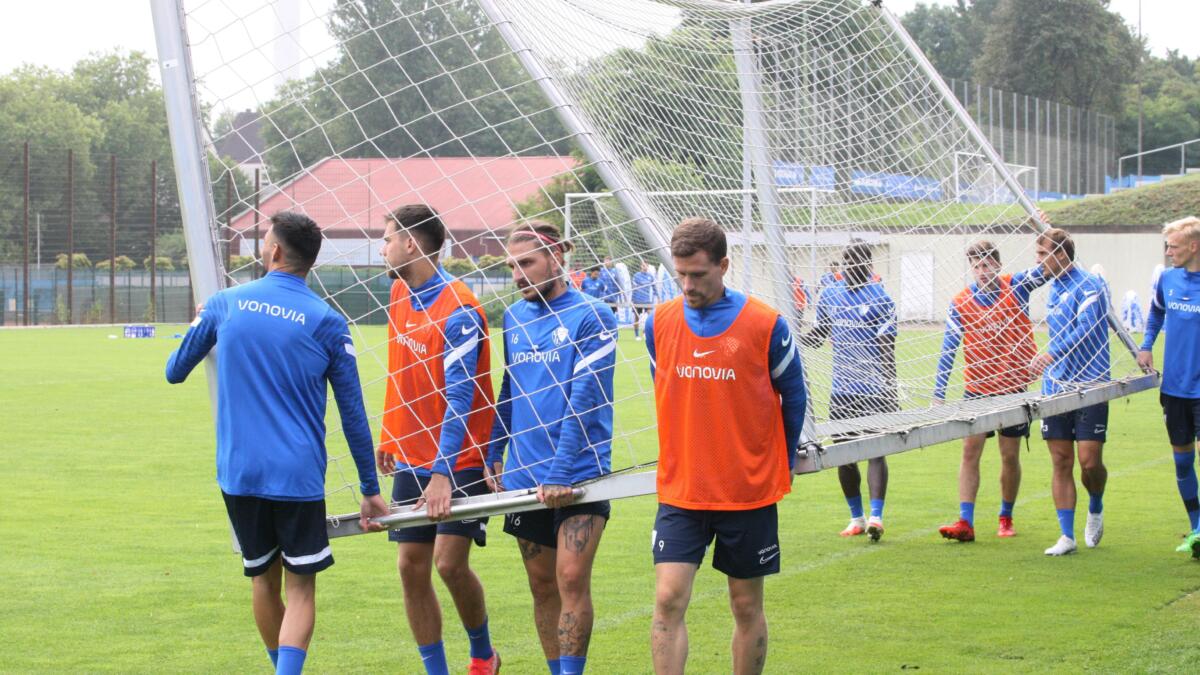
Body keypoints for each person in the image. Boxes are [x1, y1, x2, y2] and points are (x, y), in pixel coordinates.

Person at [165, 211, 388, 675]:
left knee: (262, 580)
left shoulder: (224, 303)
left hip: (239, 471)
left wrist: (200, 326)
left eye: (265, 239)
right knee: (301, 588)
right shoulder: (328, 321)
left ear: (276, 251)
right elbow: (352, 414)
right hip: (297, 474)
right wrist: (369, 489)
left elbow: (175, 370)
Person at [646, 217, 807, 675]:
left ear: (724, 265)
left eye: (698, 274)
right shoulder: (658, 323)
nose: (688, 284)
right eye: (680, 274)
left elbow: (792, 396)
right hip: (682, 488)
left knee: (744, 604)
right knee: (668, 598)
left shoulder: (765, 323)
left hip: (746, 490)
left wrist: (787, 457)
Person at [486, 220, 617, 675]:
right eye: (512, 266)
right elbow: (510, 387)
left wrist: (561, 472)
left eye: (527, 263)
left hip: (579, 474)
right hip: (525, 474)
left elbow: (585, 398)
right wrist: (494, 449)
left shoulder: (594, 315)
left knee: (571, 578)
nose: (518, 274)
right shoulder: (514, 318)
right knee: (542, 586)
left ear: (558, 254)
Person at [375, 204, 500, 675]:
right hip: (411, 452)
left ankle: (484, 656)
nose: (382, 248)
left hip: (462, 455)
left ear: (410, 242)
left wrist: (442, 473)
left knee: (448, 563)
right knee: (410, 567)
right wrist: (391, 433)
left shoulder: (461, 308)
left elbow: (461, 397)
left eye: (386, 238)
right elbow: (400, 373)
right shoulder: (398, 292)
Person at [932, 241, 1047, 541]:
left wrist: (1048, 235)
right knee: (970, 451)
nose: (982, 271)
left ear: (997, 264)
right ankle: (965, 521)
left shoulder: (1017, 287)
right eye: (976, 266)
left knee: (1009, 455)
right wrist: (938, 394)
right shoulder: (960, 302)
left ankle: (1005, 517)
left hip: (1012, 388)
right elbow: (948, 349)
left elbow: (1047, 269)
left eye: (986, 265)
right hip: (977, 389)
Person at [802, 242, 897, 541]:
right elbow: (819, 336)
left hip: (873, 390)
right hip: (841, 391)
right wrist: (792, 335)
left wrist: (890, 390)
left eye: (857, 263)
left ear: (868, 266)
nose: (850, 268)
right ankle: (857, 517)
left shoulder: (882, 299)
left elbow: (887, 349)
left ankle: (877, 517)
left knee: (876, 452)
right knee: (844, 455)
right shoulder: (830, 294)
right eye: (847, 262)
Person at [1030, 227, 1111, 556]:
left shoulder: (1089, 285)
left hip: (1090, 385)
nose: (1038, 262)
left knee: (1089, 463)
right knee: (1061, 461)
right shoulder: (1052, 287)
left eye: (1041, 254)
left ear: (1060, 255)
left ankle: (1095, 504)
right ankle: (1067, 536)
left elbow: (1084, 328)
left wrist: (1051, 353)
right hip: (1055, 387)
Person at [1138, 216, 1200, 556]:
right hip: (1174, 388)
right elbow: (1156, 314)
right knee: (1182, 463)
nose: (1168, 251)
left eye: (1173, 246)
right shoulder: (1168, 279)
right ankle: (1196, 529)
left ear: (1193, 246)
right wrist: (1146, 345)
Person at [631, 260, 657, 338]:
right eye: (643, 265)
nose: (645, 267)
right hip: (637, 300)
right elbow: (633, 288)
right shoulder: (636, 276)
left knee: (650, 317)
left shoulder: (650, 276)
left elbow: (654, 287)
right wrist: (632, 299)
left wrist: (657, 297)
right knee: (636, 318)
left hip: (647, 301)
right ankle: (636, 335)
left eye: (646, 265)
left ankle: (645, 333)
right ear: (641, 266)